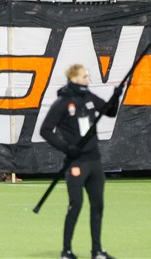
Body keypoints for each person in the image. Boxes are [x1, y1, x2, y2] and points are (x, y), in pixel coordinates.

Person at [40, 64, 119, 259]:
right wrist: (66, 148)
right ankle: (66, 251)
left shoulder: (90, 97)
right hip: (77, 163)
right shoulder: (62, 103)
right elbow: (45, 130)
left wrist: (116, 95)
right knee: (76, 205)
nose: (88, 79)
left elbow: (110, 112)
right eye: (84, 76)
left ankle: (97, 251)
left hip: (95, 161)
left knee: (98, 205)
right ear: (74, 79)